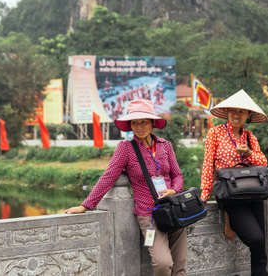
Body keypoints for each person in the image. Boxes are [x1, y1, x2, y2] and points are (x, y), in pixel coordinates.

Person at [65, 99, 187, 276]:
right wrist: (86, 205)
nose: (140, 126)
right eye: (135, 123)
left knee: (180, 264)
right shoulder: (126, 149)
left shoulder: (165, 145)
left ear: (152, 123)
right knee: (163, 263)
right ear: (130, 125)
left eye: (144, 121)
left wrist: (174, 190)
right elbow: (108, 177)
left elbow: (178, 175)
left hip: (173, 209)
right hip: (148, 215)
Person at [200, 89, 268, 276]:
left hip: (253, 192)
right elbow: (208, 162)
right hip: (230, 194)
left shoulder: (249, 137)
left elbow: (263, 162)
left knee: (261, 243)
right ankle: (229, 219)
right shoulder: (215, 133)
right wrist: (205, 192)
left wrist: (248, 153)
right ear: (227, 113)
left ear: (248, 114)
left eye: (241, 111)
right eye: (232, 111)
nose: (236, 115)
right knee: (255, 238)